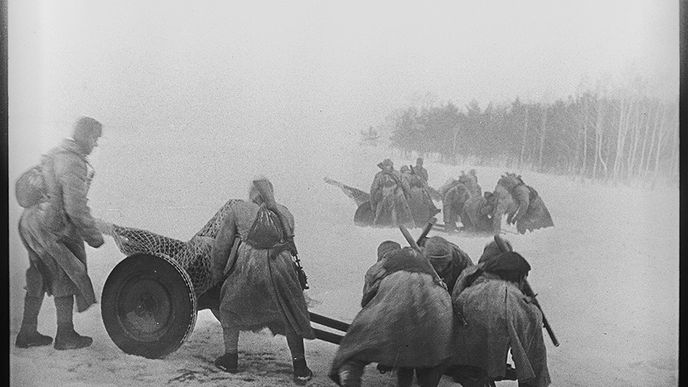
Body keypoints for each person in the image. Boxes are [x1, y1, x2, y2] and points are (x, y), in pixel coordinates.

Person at [210, 177, 314, 385]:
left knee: (230, 305)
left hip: (251, 265)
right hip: (281, 265)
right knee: (290, 311)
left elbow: (222, 246)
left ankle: (230, 358)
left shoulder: (239, 209)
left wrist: (217, 271)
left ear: (252, 195)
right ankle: (300, 366)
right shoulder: (285, 212)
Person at [15, 116, 105, 350]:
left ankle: (27, 332)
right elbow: (76, 208)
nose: (96, 144)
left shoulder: (58, 153)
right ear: (86, 135)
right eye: (95, 138)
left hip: (30, 220)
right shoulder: (73, 162)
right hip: (48, 226)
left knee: (38, 272)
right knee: (65, 271)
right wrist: (94, 237)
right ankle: (65, 335)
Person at [329, 241, 453, 387]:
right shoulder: (424, 262)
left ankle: (349, 376)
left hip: (397, 293)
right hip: (434, 300)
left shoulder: (381, 265)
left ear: (381, 255)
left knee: (355, 347)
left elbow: (367, 300)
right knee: (425, 353)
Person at [449, 237, 551, 387]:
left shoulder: (470, 273)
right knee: (531, 354)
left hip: (471, 319)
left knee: (473, 360)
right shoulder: (513, 283)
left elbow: (455, 301)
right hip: (508, 312)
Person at [369, 159, 414, 228]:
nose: (387, 167)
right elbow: (405, 185)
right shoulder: (395, 174)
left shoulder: (381, 175)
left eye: (388, 165)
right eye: (386, 166)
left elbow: (373, 189)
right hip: (390, 196)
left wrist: (373, 202)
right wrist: (408, 193)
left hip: (393, 196)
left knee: (383, 215)